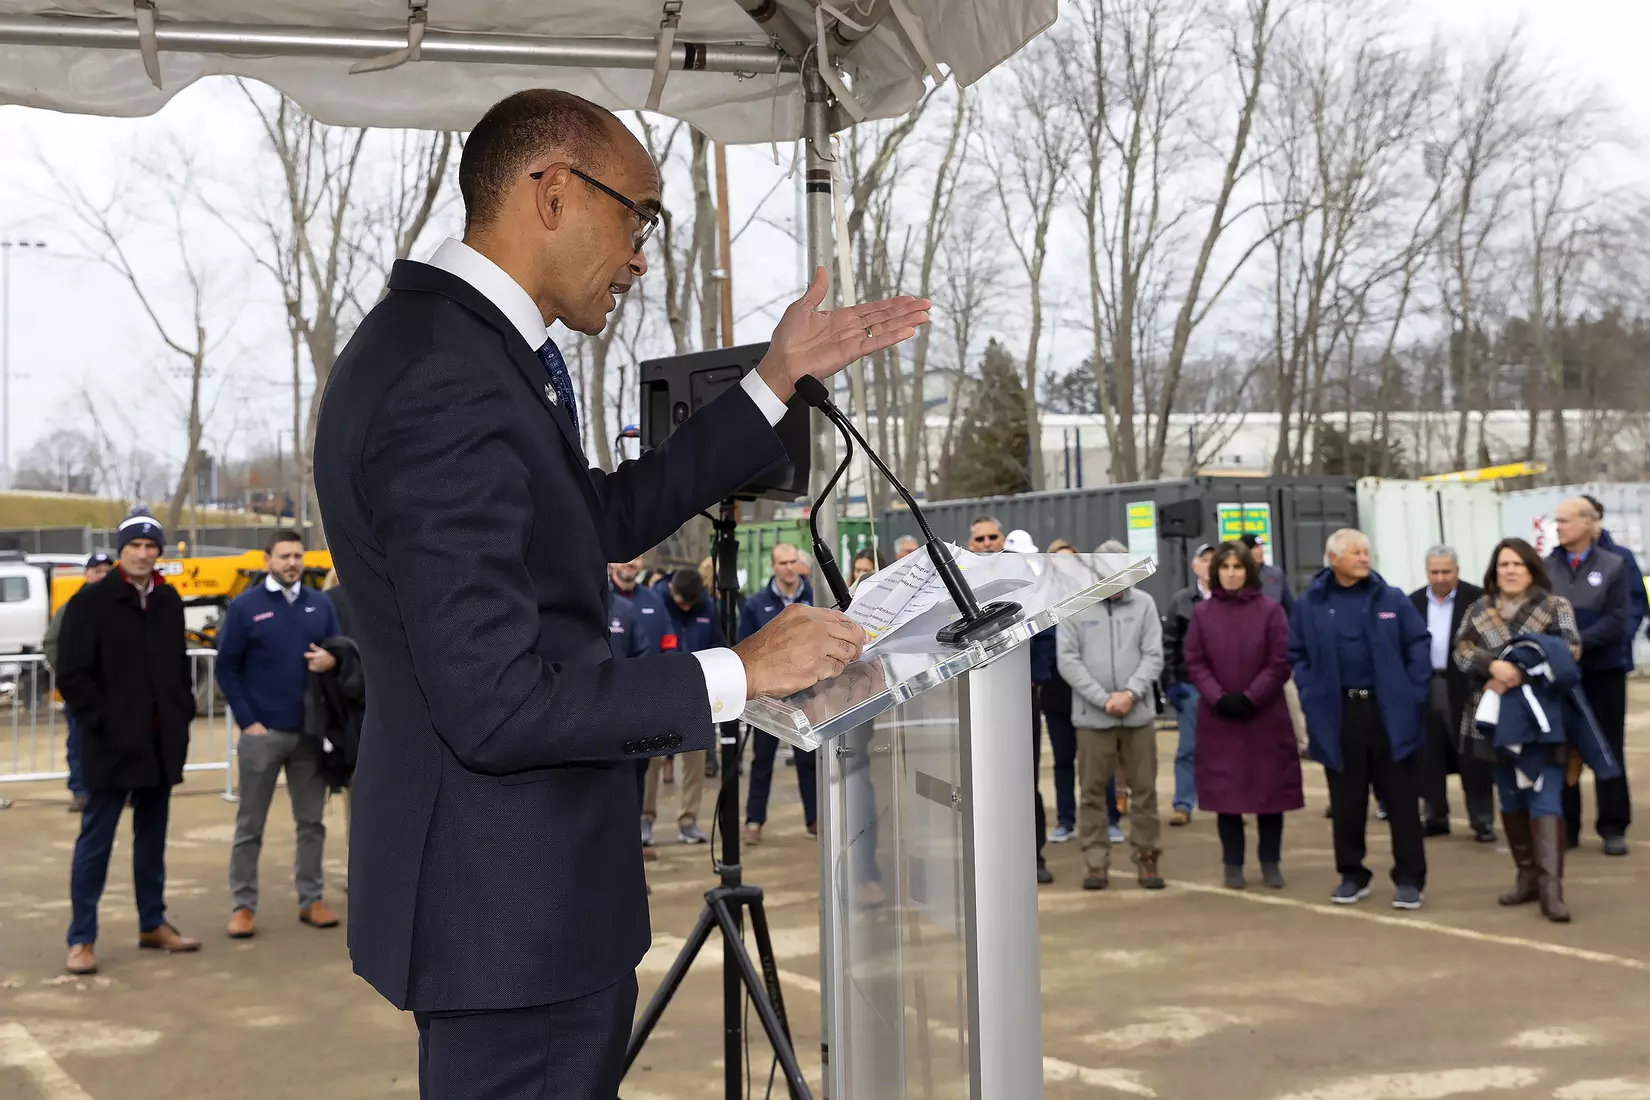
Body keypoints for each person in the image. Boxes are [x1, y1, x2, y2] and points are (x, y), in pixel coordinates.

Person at [311, 88, 917, 1100]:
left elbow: (587, 519)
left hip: (517, 902)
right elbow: (496, 700)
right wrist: (740, 668)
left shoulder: (460, 351)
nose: (641, 254)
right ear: (552, 191)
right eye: (637, 215)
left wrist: (773, 378)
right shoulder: (446, 378)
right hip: (509, 918)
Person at [54, 508, 202, 975]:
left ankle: (152, 922)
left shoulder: (169, 599)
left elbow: (178, 666)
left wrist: (182, 713)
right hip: (110, 747)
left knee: (151, 840)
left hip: (159, 746)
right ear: (121, 552)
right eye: (134, 546)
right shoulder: (90, 603)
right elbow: (72, 675)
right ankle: (81, 938)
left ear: (159, 552)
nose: (142, 554)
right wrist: (103, 724)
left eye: (150, 546)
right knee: (96, 842)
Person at [1289, 528, 1430, 909]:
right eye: (1355, 553)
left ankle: (1410, 879)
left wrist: (1413, 693)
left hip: (1389, 713)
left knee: (1401, 801)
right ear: (1333, 559)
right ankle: (1352, 874)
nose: (1364, 558)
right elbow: (1297, 653)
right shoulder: (1310, 606)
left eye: (1366, 552)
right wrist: (1309, 689)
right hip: (1339, 713)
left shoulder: (1392, 600)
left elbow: (1418, 644)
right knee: (1347, 801)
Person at [214, 529, 343, 939]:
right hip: (262, 734)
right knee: (250, 825)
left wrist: (332, 659)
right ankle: (243, 905)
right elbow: (226, 667)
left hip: (308, 735)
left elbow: (340, 651)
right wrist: (248, 720)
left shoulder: (319, 605)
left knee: (312, 823)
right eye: (284, 556)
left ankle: (312, 899)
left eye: (297, 556)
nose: (292, 563)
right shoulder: (246, 608)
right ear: (267, 559)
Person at [1453, 539, 1587, 921]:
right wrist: (1491, 666)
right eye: (1503, 565)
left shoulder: (1554, 606)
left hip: (1543, 722)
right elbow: (1460, 651)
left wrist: (1522, 669)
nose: (1510, 571)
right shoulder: (1479, 608)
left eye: (1517, 564)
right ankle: (1526, 878)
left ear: (1532, 569)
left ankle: (1552, 892)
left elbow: (1572, 650)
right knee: (1510, 799)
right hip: (1493, 721)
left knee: (1545, 801)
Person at [1184, 542, 1303, 889]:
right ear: (1216, 572)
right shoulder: (1202, 614)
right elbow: (1194, 661)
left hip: (1264, 717)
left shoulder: (1270, 610)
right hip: (1220, 719)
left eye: (1238, 567)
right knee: (1227, 796)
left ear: (1248, 571)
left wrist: (1252, 697)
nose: (1232, 573)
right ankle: (1232, 864)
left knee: (1270, 795)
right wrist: (1218, 697)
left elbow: (1280, 660)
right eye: (1225, 567)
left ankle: (1270, 861)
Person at [1057, 540, 1165, 891]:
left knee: (1145, 790)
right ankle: (1096, 861)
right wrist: (1103, 699)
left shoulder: (1145, 605)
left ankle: (1147, 858)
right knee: (1090, 791)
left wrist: (1130, 693)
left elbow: (1153, 655)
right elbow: (1068, 661)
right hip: (1093, 718)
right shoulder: (1075, 607)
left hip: (1138, 716)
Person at [1547, 497, 1633, 856]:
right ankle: (1566, 826)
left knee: (1606, 747)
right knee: (1562, 749)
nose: (1559, 526)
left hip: (1603, 671)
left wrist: (1582, 642)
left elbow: (1620, 617)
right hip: (1561, 673)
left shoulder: (1616, 563)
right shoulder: (1546, 566)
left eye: (1565, 520)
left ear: (1588, 523)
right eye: (1557, 521)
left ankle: (1613, 826)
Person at [1407, 546, 1491, 842]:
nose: (1440, 577)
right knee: (1429, 752)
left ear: (1458, 571)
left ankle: (1482, 819)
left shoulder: (1478, 600)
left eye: (1446, 571)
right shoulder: (1413, 601)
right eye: (1434, 572)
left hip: (1467, 685)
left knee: (1473, 753)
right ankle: (1435, 815)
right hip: (1427, 684)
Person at [741, 543, 819, 843]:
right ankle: (754, 821)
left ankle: (813, 818)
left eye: (793, 561)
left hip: (807, 695)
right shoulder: (756, 604)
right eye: (782, 562)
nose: (789, 567)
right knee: (762, 760)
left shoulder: (814, 599)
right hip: (768, 698)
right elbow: (743, 646)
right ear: (773, 566)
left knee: (808, 759)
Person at [645, 570, 719, 844]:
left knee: (695, 759)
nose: (686, 607)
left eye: (691, 603)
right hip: (657, 689)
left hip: (696, 691)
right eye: (681, 603)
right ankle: (646, 818)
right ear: (671, 590)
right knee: (650, 758)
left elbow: (716, 643)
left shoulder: (708, 607)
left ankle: (688, 820)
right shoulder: (654, 602)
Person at [43, 551, 113, 812]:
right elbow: (51, 643)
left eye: (107, 571)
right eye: (97, 571)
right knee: (79, 742)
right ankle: (81, 791)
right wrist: (68, 677)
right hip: (82, 692)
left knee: (120, 740)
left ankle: (119, 787)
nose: (102, 576)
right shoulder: (72, 607)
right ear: (87, 574)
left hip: (116, 691)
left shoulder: (123, 606)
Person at [1034, 539, 1083, 849]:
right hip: (1055, 692)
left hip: (1091, 692)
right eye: (1057, 560)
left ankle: (1108, 819)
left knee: (1093, 761)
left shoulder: (1091, 597)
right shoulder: (1043, 601)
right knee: (1063, 760)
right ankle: (1066, 820)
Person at [1162, 542, 1214, 826]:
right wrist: (1170, 684)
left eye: (1214, 560)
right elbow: (1168, 644)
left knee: (1226, 747)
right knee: (1188, 748)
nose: (1210, 565)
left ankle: (1229, 802)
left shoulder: (1231, 598)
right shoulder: (1181, 601)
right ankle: (1183, 803)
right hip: (1190, 687)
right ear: (1194, 566)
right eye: (1204, 560)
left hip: (1225, 688)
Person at [1241, 532, 1294, 615]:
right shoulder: (1238, 576)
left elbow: (1291, 607)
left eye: (1261, 546)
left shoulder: (1276, 574)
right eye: (1256, 547)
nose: (1261, 550)